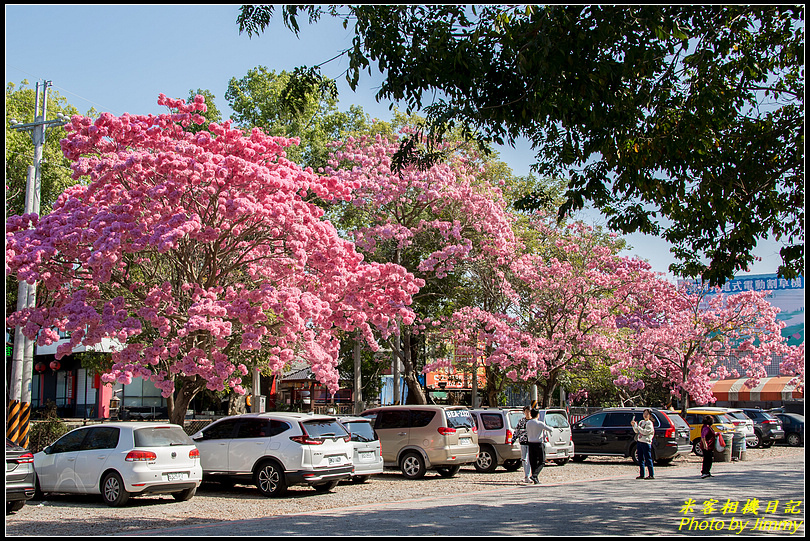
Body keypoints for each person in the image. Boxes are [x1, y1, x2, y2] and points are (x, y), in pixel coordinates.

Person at [526, 409, 553, 484]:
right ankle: (535, 475)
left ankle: (535, 478)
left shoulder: (528, 423)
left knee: (533, 461)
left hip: (530, 443)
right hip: (538, 443)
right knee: (542, 461)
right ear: (538, 414)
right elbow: (550, 429)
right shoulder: (539, 423)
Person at [631, 409, 655, 479]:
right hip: (640, 441)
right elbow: (637, 431)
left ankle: (651, 474)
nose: (645, 415)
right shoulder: (641, 422)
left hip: (646, 442)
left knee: (648, 458)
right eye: (644, 413)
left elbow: (645, 432)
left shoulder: (649, 423)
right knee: (640, 458)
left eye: (647, 414)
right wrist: (634, 426)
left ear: (650, 415)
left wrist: (638, 427)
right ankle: (642, 474)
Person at [511, 406, 532, 483]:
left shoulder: (533, 421)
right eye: (526, 411)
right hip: (523, 441)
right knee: (524, 458)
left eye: (529, 411)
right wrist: (513, 440)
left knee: (530, 459)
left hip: (531, 442)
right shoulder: (521, 421)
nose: (527, 413)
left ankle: (529, 475)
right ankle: (526, 475)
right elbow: (517, 431)